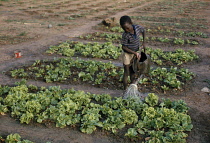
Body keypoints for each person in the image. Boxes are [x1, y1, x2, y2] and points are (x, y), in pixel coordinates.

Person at [119, 15, 146, 90]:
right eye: (124, 28)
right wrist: (135, 53)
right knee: (126, 72)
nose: (126, 30)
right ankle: (125, 89)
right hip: (127, 55)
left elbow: (143, 30)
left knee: (133, 71)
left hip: (135, 53)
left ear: (131, 23)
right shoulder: (125, 35)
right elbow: (124, 47)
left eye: (127, 28)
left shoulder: (137, 28)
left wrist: (144, 42)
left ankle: (131, 88)